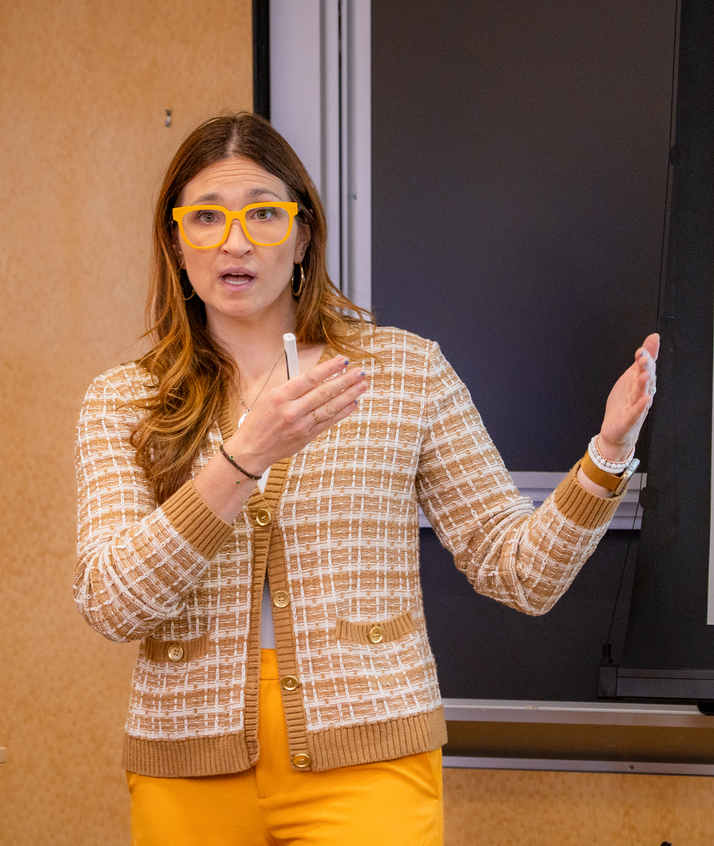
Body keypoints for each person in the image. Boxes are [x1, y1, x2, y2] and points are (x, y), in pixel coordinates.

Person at [74, 111, 658, 846]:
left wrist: (606, 454)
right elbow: (111, 602)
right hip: (186, 769)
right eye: (206, 218)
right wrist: (243, 459)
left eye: (262, 214)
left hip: (371, 758)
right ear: (174, 239)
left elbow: (519, 573)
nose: (235, 241)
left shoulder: (403, 373)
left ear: (303, 234)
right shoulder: (124, 399)